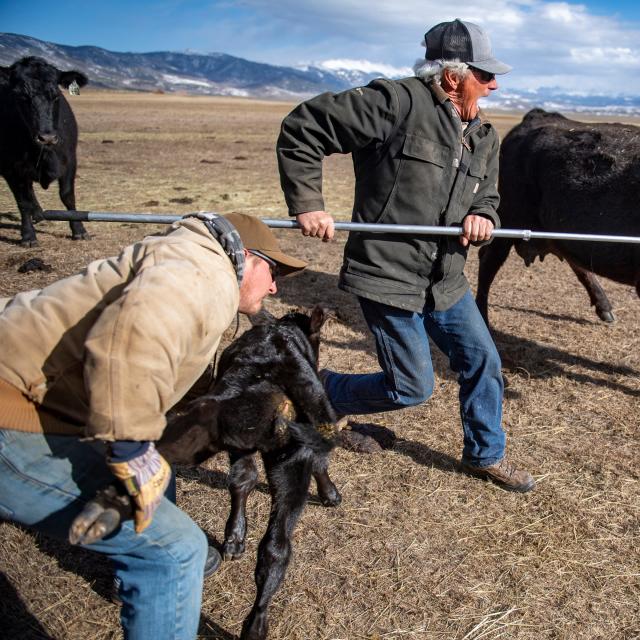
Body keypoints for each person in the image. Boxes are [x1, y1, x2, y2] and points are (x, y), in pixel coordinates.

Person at [0, 213, 306, 639]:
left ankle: (139, 557)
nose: (274, 287)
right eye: (273, 273)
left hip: (38, 392)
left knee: (160, 456)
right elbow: (132, 336)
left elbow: (181, 382)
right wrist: (130, 451)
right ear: (248, 259)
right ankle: (152, 561)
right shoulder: (205, 274)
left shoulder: (191, 263)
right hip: (12, 405)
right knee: (176, 552)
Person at [277, 19, 534, 492]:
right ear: (454, 76)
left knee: (483, 362)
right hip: (388, 275)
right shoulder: (395, 103)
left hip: (447, 279)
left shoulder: (483, 135)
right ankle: (322, 389)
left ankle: (485, 454)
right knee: (412, 387)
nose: (495, 84)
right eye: (485, 74)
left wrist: (485, 217)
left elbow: (488, 196)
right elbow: (304, 127)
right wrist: (308, 203)